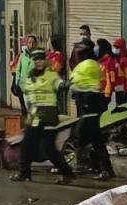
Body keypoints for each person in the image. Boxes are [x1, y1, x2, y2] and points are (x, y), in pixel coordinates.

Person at [10, 49, 73, 184]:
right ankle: (25, 173)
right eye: (36, 60)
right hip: (34, 115)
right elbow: (29, 97)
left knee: (47, 148)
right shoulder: (30, 77)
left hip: (48, 116)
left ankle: (67, 172)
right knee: (27, 145)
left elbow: (58, 84)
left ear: (45, 61)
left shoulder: (51, 75)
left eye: (40, 59)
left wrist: (64, 85)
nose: (38, 62)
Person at [69, 47, 115, 180]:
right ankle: (100, 167)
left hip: (88, 103)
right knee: (95, 139)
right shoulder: (96, 65)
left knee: (79, 135)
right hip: (93, 102)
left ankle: (84, 164)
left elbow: (74, 79)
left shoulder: (84, 65)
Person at [9, 35, 38, 115]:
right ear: (27, 44)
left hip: (33, 86)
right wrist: (17, 83)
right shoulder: (22, 56)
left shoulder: (38, 57)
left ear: (36, 44)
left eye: (33, 43)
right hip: (22, 86)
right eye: (29, 42)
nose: (31, 45)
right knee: (24, 109)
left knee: (32, 109)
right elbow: (18, 70)